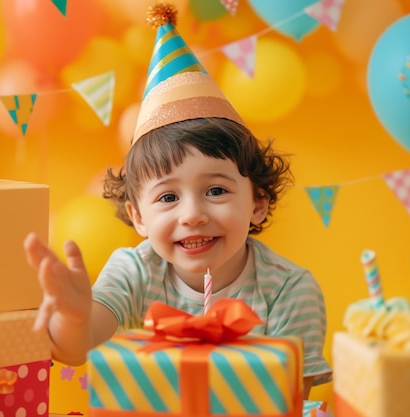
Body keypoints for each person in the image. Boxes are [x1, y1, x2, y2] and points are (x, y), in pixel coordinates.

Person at [24, 2, 332, 399]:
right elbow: (75, 347)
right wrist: (75, 316)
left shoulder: (290, 290)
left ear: (258, 201)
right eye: (168, 196)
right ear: (137, 217)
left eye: (216, 190)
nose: (192, 215)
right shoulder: (135, 271)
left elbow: (291, 401)